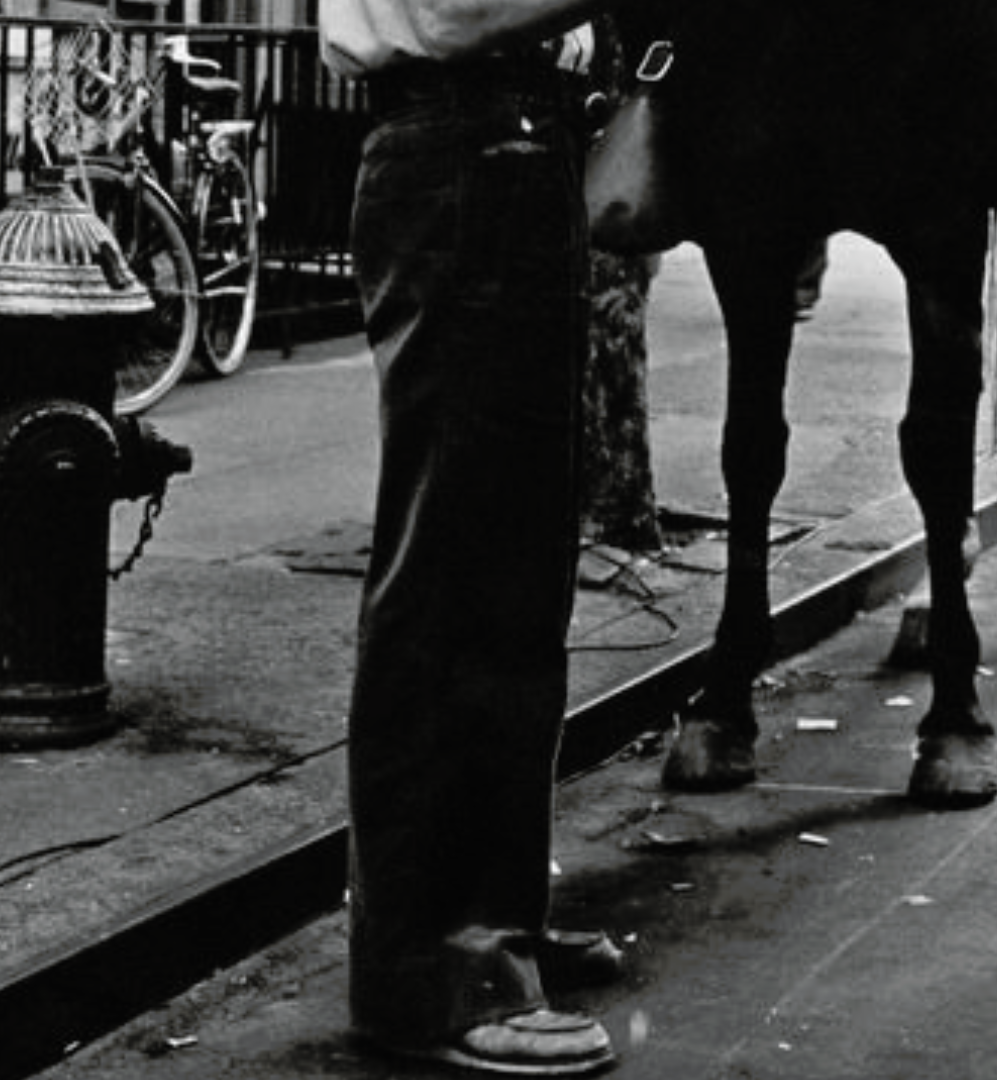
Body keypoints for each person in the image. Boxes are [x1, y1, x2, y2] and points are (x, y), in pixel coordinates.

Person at [319, 0, 635, 1073]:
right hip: (465, 143)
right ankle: (436, 968)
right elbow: (455, 11)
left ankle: (495, 924)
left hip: (513, 141)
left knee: (513, 568)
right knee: (456, 566)